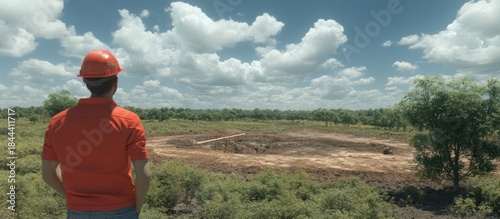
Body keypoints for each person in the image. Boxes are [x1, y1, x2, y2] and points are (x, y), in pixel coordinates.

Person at [42, 49, 151, 219]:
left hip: (76, 211)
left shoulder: (57, 121)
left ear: (85, 81)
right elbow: (144, 174)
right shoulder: (129, 120)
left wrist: (74, 199)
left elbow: (47, 173)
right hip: (122, 210)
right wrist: (135, 209)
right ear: (116, 83)